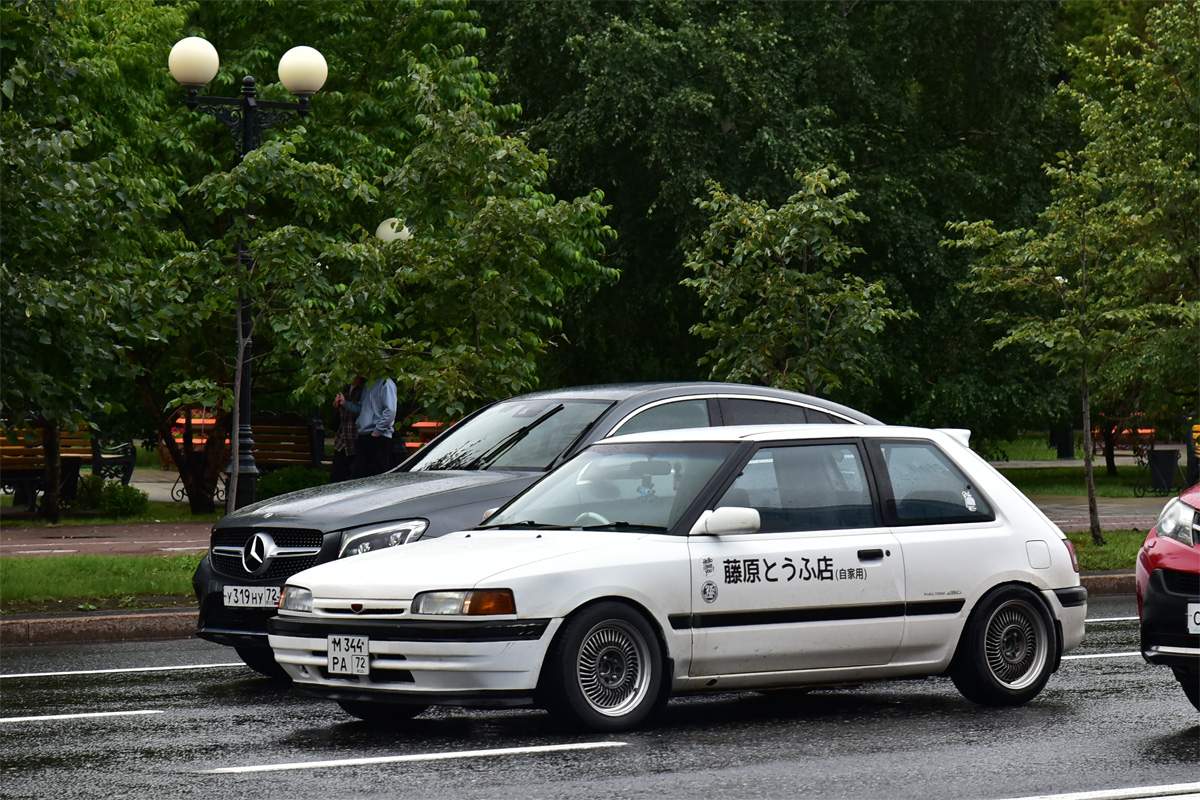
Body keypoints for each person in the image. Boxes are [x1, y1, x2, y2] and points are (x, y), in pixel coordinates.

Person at [344, 373, 397, 478]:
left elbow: (390, 411)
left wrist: (377, 431)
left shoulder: (386, 383)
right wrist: (345, 403)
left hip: (378, 436)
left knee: (378, 475)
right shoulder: (367, 384)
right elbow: (363, 410)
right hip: (364, 435)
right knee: (358, 474)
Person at [330, 376, 364, 482]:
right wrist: (337, 405)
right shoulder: (345, 388)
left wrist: (346, 404)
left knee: (355, 478)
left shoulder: (365, 389)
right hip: (342, 440)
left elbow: (363, 411)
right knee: (337, 477)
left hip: (357, 439)